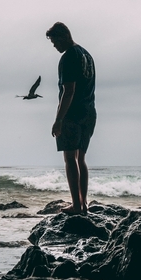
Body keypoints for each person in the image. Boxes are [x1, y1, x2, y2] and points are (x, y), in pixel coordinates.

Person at [46, 22, 96, 214]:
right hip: (89, 112)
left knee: (69, 158)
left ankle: (76, 205)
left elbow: (68, 91)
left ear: (65, 36)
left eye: (55, 41)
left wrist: (58, 119)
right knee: (81, 158)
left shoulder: (68, 58)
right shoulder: (87, 55)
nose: (55, 46)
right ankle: (84, 204)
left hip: (72, 114)